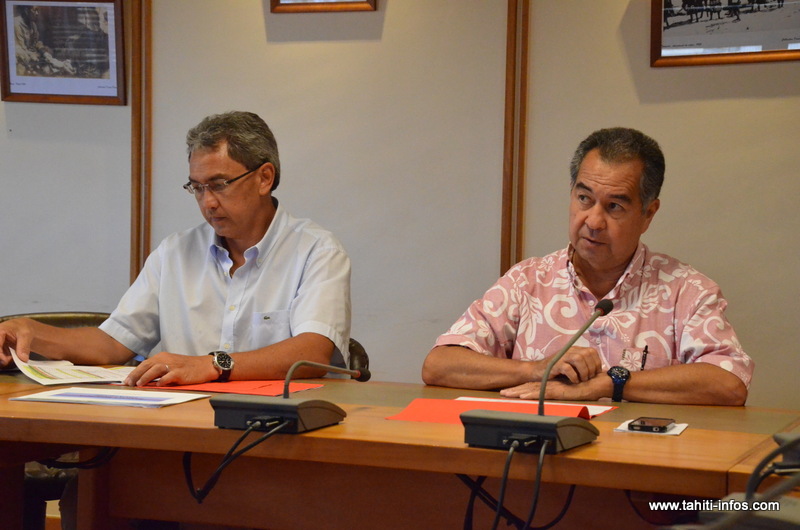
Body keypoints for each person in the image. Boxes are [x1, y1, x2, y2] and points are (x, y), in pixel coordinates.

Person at [0, 111, 351, 387]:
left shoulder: (316, 250)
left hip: (280, 428)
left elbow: (312, 352)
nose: (207, 202)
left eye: (219, 185)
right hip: (183, 420)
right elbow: (113, 344)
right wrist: (31, 330)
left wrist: (210, 365)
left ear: (264, 177)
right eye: (197, 188)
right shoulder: (176, 252)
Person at [422, 127, 752, 406]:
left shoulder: (686, 290)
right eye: (584, 199)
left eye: (614, 206)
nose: (593, 221)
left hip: (638, 469)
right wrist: (537, 369)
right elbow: (439, 365)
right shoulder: (528, 281)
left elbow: (728, 381)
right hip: (537, 465)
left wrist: (612, 384)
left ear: (648, 214)